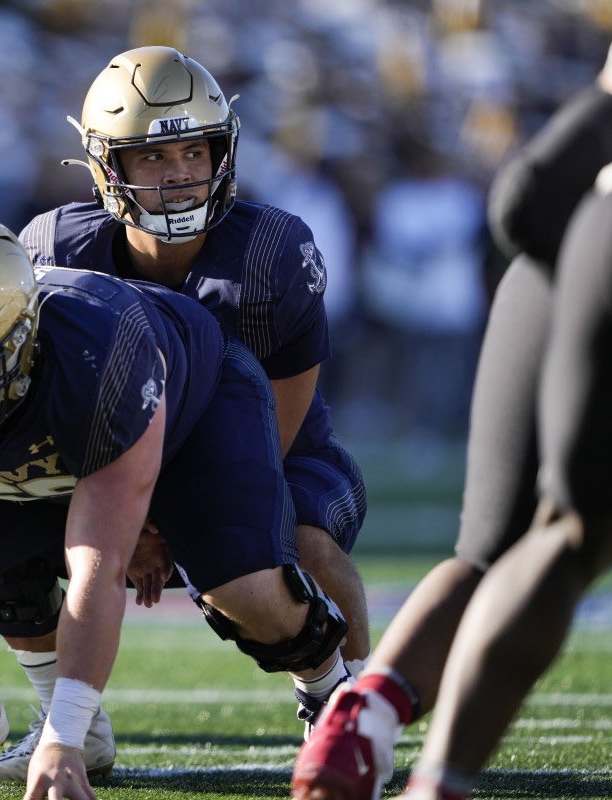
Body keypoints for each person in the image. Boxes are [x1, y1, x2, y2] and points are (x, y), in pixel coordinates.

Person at [0, 215, 349, 798]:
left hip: (195, 410)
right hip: (40, 437)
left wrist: (58, 742)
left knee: (244, 589)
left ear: (24, 333)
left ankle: (330, 695)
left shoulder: (100, 361)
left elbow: (101, 566)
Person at [0, 45, 370, 782]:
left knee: (301, 546)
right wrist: (123, 515)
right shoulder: (54, 249)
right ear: (105, 166)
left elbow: (270, 434)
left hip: (276, 455)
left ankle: (352, 704)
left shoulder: (274, 252)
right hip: (100, 467)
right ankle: (66, 720)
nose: (181, 171)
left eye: (195, 149)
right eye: (152, 156)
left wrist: (156, 521)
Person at [291, 42, 612, 800]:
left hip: (569, 224)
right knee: (571, 536)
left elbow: (538, 184)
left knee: (489, 551)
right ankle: (438, 783)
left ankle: (363, 717)